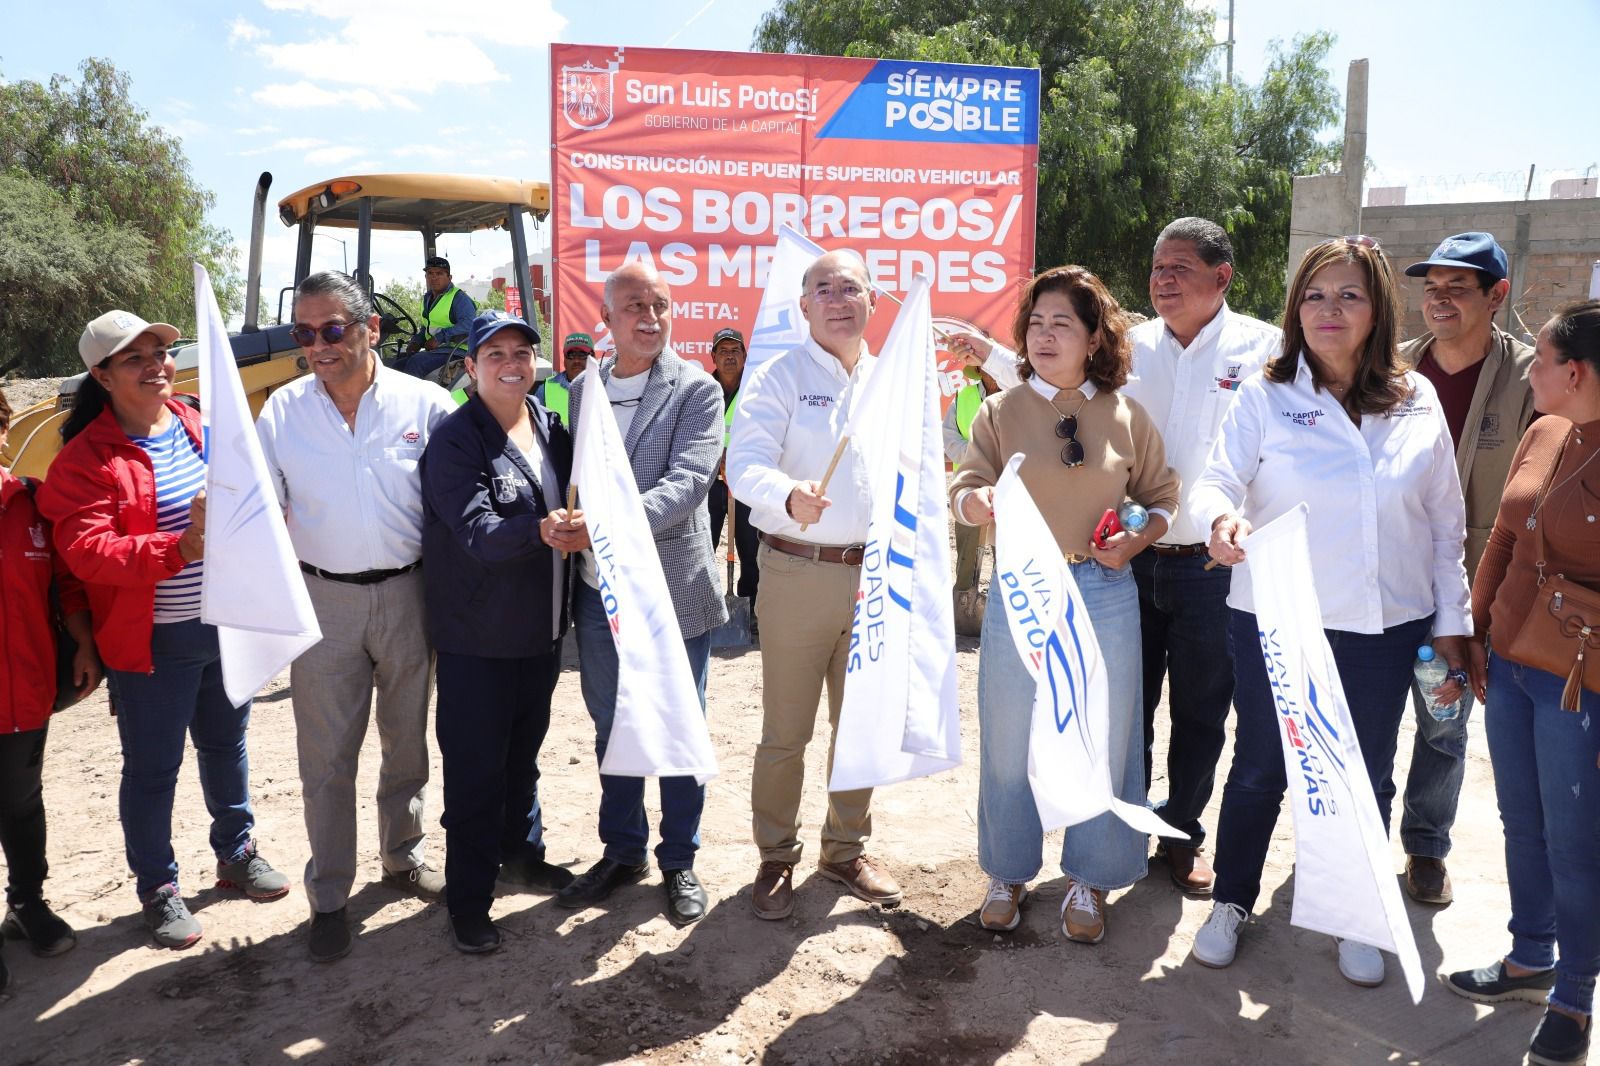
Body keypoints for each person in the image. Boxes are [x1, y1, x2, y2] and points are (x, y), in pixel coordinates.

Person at [1188, 237, 1472, 988]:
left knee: (1365, 776)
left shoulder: (1417, 400)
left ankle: (1353, 912)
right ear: (1295, 309)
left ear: (1376, 307)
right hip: (1276, 617)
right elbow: (1216, 482)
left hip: (1385, 628)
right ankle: (1233, 901)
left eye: (1347, 295)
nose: (1329, 310)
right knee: (1259, 769)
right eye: (1315, 296)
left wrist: (1454, 619)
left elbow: (1446, 522)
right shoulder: (1266, 392)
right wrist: (1220, 522)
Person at [39, 310, 292, 950]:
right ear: (101, 375)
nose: (157, 366)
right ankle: (157, 886)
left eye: (161, 352)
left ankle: (235, 853)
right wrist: (180, 548)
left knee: (225, 746)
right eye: (135, 359)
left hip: (221, 625)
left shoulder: (194, 421)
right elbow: (89, 552)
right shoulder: (82, 461)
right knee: (153, 769)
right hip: (150, 641)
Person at [949, 265, 1180, 943]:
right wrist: (975, 501)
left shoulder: (1127, 415)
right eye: (1036, 323)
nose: (1046, 336)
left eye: (1063, 324)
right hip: (1022, 591)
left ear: (1093, 339)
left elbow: (1163, 499)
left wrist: (1134, 540)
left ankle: (1093, 876)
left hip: (1104, 590)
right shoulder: (1000, 409)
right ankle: (1008, 869)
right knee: (1008, 733)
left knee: (1106, 737)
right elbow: (965, 487)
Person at [257, 271, 456, 962]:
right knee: (326, 758)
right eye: (304, 334)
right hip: (323, 602)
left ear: (369, 329)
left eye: (332, 330)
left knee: (407, 741)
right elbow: (255, 515)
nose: (318, 345)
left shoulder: (427, 404)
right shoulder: (281, 414)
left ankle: (403, 858)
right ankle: (332, 896)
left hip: (409, 595)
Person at [540, 262, 724, 926]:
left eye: (661, 305)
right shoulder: (586, 390)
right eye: (635, 306)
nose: (650, 316)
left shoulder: (696, 390)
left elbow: (689, 482)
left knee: (679, 725)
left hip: (671, 592)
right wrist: (568, 524)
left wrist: (607, 524)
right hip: (598, 594)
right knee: (612, 727)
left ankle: (680, 860)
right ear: (609, 319)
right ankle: (623, 852)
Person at [1445, 300, 1600, 1066]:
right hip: (1509, 663)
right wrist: (1472, 632)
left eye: (1538, 361)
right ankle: (1530, 955)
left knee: (1578, 842)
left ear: (1574, 372)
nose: (1528, 371)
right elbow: (1504, 536)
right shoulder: (1542, 431)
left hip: (1581, 682)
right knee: (1522, 822)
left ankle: (1575, 996)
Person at [728, 249, 903, 921]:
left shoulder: (891, 380)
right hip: (799, 571)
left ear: (873, 300)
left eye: (849, 287)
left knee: (859, 727)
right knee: (786, 732)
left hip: (876, 578)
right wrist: (786, 495)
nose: (836, 298)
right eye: (822, 288)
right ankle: (776, 856)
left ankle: (845, 849)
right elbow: (743, 467)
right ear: (803, 307)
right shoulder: (778, 377)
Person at [421, 311, 575, 954]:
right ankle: (469, 899)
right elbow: (479, 532)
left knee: (523, 758)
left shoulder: (548, 425)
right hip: (477, 640)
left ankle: (523, 854)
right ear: (470, 369)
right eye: (496, 354)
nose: (512, 363)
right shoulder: (456, 442)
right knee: (475, 770)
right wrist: (539, 531)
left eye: (522, 351)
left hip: (538, 636)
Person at [1395, 231, 1535, 906]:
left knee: (1443, 722)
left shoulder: (1531, 378)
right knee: (1361, 716)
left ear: (1497, 295)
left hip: (1466, 588)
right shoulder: (1391, 371)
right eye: (1431, 287)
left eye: (1458, 287)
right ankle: (1351, 841)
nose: (1439, 300)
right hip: (1383, 577)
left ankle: (1426, 847)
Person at [0, 389, 99, 990]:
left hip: (24, 691)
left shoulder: (30, 504)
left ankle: (26, 902)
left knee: (20, 801)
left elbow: (67, 585)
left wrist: (85, 645)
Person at [707, 326, 759, 615]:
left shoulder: (756, 390)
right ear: (713, 356)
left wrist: (735, 458)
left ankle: (749, 609)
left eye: (735, 351)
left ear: (745, 355)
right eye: (723, 351)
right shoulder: (701, 388)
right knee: (705, 545)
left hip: (745, 482)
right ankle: (705, 608)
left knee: (751, 549)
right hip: (710, 483)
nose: (729, 357)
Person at [942, 366, 1000, 597]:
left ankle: (1002, 601)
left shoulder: (1019, 396)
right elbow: (949, 438)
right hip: (968, 488)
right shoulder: (963, 396)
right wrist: (978, 456)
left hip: (1008, 488)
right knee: (967, 550)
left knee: (1007, 552)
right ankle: (964, 599)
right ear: (978, 370)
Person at [400, 256, 476, 379]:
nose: (434, 277)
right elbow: (427, 327)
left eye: (439, 273)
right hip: (437, 351)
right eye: (430, 273)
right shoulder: (427, 299)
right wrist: (417, 341)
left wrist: (439, 338)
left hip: (456, 351)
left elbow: (469, 324)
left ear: (449, 278)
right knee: (397, 365)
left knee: (416, 363)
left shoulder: (458, 298)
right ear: (426, 277)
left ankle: (415, 398)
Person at [535, 332, 593, 425]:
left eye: (582, 355)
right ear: (564, 359)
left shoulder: (606, 386)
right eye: (571, 354)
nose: (576, 360)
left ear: (593, 357)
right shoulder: (544, 390)